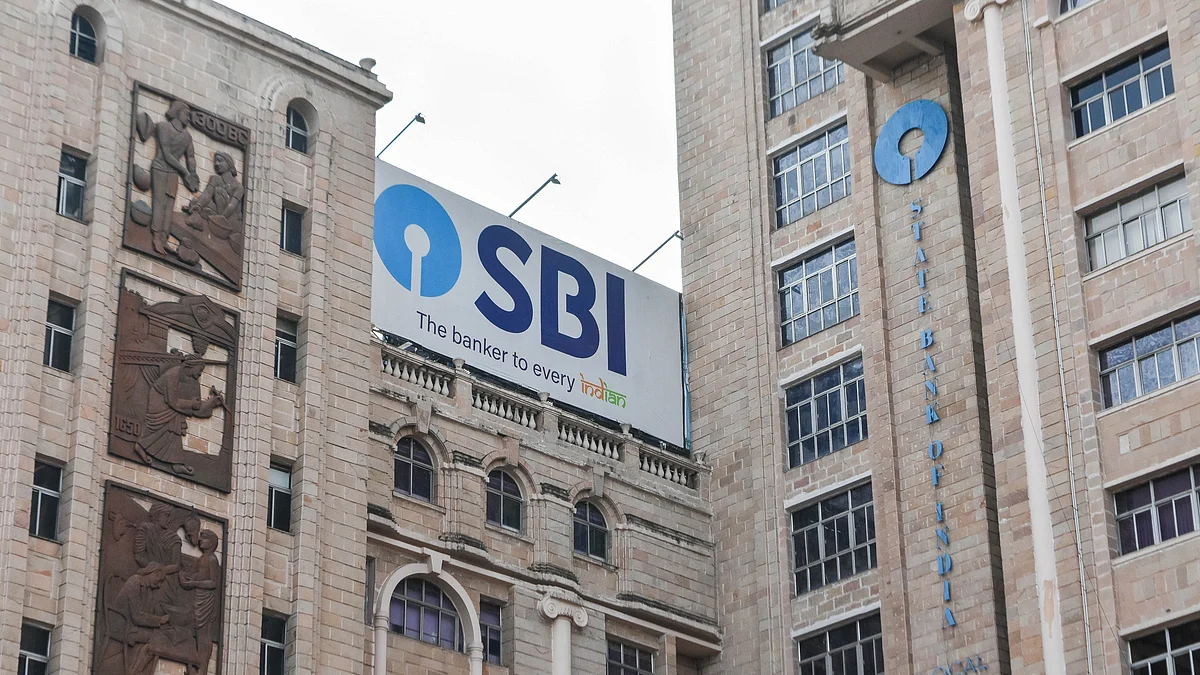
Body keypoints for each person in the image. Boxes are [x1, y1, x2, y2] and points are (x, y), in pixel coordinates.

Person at [135, 353, 225, 477]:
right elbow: (173, 402)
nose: (200, 374)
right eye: (199, 370)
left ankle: (175, 462)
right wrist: (193, 404)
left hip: (174, 405)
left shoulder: (194, 383)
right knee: (173, 419)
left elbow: (195, 409)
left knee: (175, 423)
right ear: (190, 366)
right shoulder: (173, 375)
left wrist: (212, 403)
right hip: (159, 402)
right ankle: (141, 446)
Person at [149, 101, 200, 255]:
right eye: (187, 115)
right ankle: (156, 237)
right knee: (159, 203)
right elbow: (166, 154)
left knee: (169, 206)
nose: (189, 119)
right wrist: (185, 172)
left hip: (173, 173)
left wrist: (194, 173)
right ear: (178, 112)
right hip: (160, 168)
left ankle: (164, 240)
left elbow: (190, 157)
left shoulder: (187, 136)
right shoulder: (163, 127)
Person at [180, 529, 221, 675]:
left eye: (204, 538)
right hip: (198, 597)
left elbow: (213, 583)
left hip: (207, 601)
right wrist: (190, 578)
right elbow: (201, 575)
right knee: (197, 633)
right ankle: (196, 664)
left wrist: (193, 584)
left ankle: (203, 669)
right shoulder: (203, 558)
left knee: (204, 635)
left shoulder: (212, 559)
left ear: (212, 542)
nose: (200, 540)